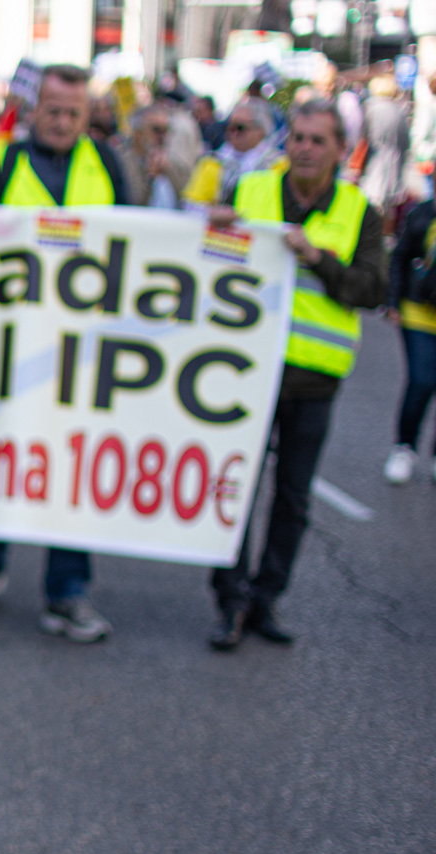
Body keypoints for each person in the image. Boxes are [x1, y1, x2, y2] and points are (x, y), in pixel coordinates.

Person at [206, 98, 386, 650]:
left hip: (313, 382)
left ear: (338, 150)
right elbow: (209, 266)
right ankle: (230, 601)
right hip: (246, 374)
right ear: (287, 143)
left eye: (318, 140)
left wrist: (318, 258)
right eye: (299, 138)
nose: (306, 148)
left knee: (293, 499)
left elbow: (372, 289)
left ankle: (266, 599)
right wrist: (212, 232)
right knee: (235, 490)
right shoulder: (252, 191)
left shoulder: (360, 212)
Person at [0, 63, 131, 642]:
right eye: (53, 111)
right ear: (35, 110)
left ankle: (68, 592)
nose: (62, 122)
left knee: (75, 467)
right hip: (10, 349)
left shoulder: (107, 164)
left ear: (88, 116)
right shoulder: (4, 162)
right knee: (3, 458)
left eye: (73, 114)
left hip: (83, 355)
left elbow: (142, 242)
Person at [386, 192, 436, 484]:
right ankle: (404, 447)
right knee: (422, 380)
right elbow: (400, 256)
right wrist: (393, 300)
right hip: (418, 311)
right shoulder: (423, 213)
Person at [181, 101, 285, 211]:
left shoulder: (279, 165)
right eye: (229, 127)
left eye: (239, 127)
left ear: (261, 130)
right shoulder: (211, 161)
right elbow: (191, 207)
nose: (232, 132)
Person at [118, 103, 189, 209]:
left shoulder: (173, 163)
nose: (163, 136)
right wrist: (150, 178)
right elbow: (132, 204)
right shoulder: (122, 162)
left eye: (166, 130)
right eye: (156, 130)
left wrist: (169, 170)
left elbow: (187, 198)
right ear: (137, 134)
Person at [360, 75, 410, 220]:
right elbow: (406, 142)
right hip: (394, 163)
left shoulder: (370, 108)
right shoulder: (400, 111)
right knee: (389, 207)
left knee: (370, 203)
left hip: (373, 162)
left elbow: (362, 137)